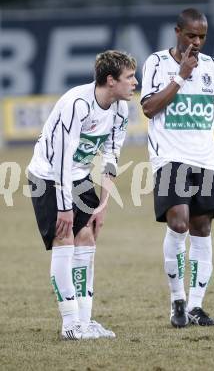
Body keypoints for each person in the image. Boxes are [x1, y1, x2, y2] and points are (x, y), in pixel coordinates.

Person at [141, 8, 214, 328]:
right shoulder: (157, 63)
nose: (197, 42)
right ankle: (176, 300)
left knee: (202, 230)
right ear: (177, 32)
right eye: (191, 35)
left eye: (202, 37)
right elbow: (149, 108)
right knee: (178, 224)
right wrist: (180, 75)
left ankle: (195, 307)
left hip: (205, 160)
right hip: (169, 158)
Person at [28, 50, 137, 340]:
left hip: (78, 176)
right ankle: (70, 324)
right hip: (48, 176)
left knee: (87, 237)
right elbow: (61, 160)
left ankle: (85, 322)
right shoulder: (77, 104)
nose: (135, 82)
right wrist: (65, 207)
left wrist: (102, 206)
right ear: (111, 80)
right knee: (63, 238)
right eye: (129, 77)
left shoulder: (120, 109)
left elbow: (111, 156)